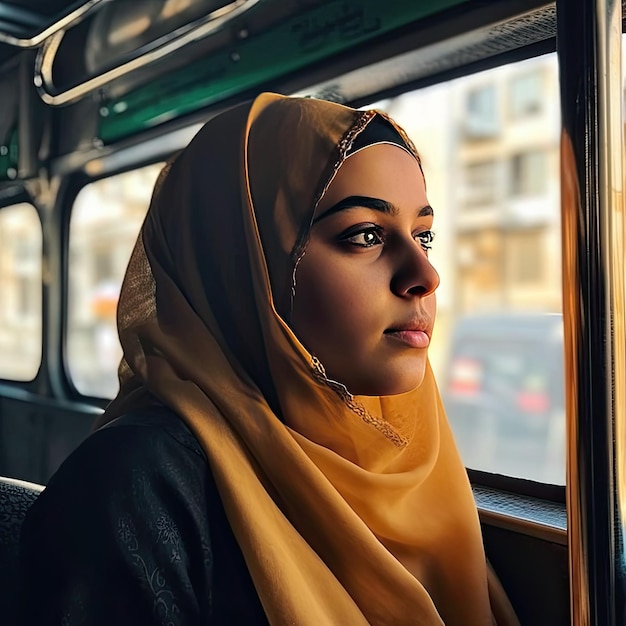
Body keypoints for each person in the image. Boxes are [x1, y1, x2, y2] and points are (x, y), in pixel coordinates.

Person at [18, 93, 518, 625]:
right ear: (241, 268)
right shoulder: (131, 485)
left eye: (424, 236)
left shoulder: (404, 453)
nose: (425, 275)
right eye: (365, 235)